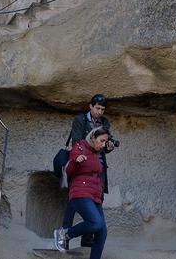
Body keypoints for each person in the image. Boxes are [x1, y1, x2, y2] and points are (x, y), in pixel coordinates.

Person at [63, 94, 117, 247]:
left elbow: (104, 149)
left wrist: (109, 147)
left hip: (98, 168)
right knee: (72, 204)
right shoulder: (80, 120)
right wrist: (82, 157)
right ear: (90, 106)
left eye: (103, 109)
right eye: (98, 108)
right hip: (81, 165)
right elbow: (77, 143)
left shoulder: (104, 123)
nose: (100, 112)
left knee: (96, 201)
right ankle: (64, 237)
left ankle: (87, 241)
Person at [53, 128, 110, 258]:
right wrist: (76, 161)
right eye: (101, 141)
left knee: (102, 232)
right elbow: (69, 171)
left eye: (105, 142)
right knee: (95, 223)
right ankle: (65, 234)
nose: (103, 145)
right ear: (93, 137)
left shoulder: (97, 153)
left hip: (95, 196)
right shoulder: (80, 147)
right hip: (80, 193)